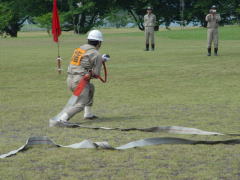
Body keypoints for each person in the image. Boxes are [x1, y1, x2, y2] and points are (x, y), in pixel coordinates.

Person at [58, 30, 109, 122]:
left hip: (70, 79)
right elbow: (96, 75)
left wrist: (99, 60)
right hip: (80, 82)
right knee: (80, 104)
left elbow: (82, 62)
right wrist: (100, 61)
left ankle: (88, 114)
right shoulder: (96, 54)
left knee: (91, 88)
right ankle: (63, 119)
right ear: (99, 42)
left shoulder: (79, 49)